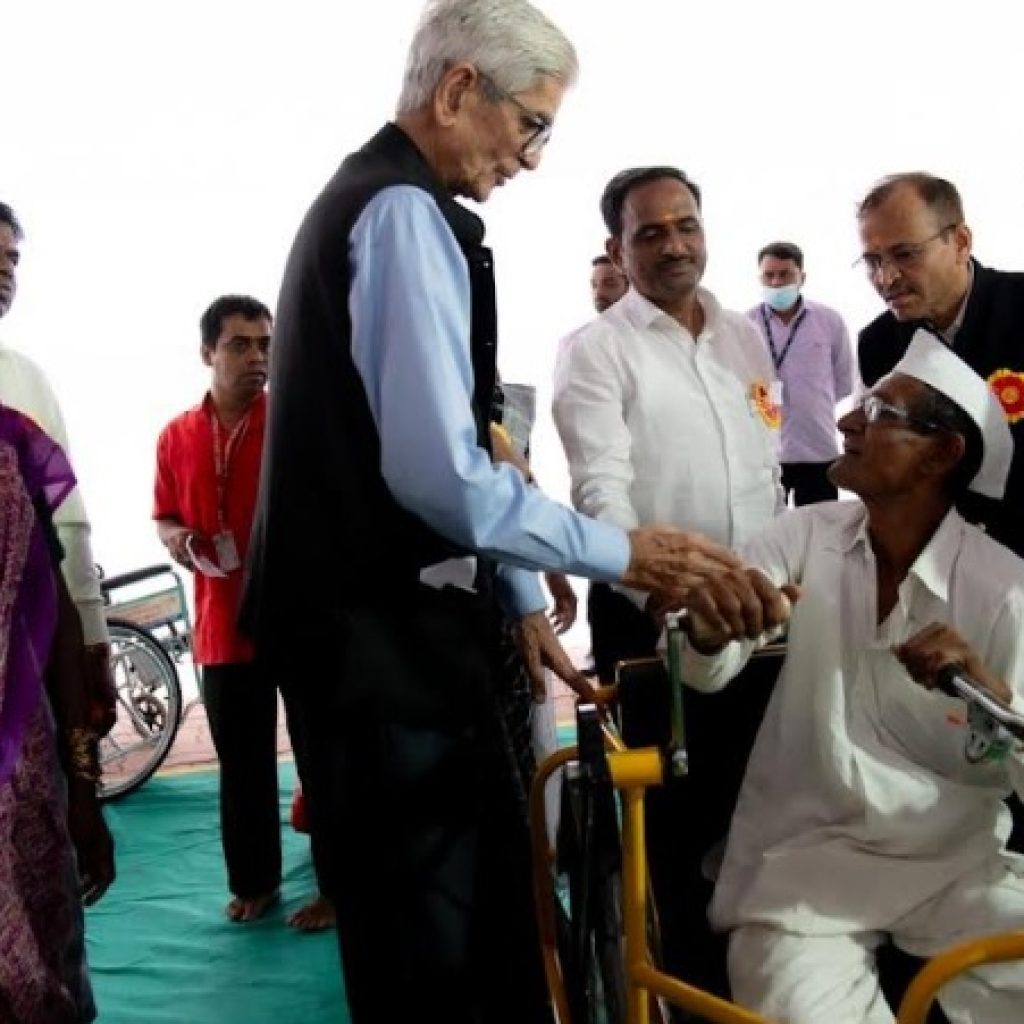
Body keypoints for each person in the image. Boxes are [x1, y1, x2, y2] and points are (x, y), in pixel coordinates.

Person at [240, 3, 741, 1021]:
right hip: (379, 651)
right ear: (460, 89)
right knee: (440, 953)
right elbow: (441, 475)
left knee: (466, 931)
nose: (531, 157)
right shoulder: (399, 213)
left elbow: (465, 437)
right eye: (530, 124)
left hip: (384, 640)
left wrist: (518, 598)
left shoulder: (381, 202)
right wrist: (622, 553)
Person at [676, 329, 1024, 1023]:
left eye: (879, 411)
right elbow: (709, 667)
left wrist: (994, 698)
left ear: (943, 454)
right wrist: (711, 628)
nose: (845, 421)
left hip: (955, 867)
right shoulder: (802, 535)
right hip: (803, 869)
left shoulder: (1004, 591)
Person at [552, 164, 785, 993]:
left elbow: (765, 472)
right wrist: (662, 592)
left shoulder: (743, 337)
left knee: (769, 813)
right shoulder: (595, 351)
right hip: (655, 624)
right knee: (680, 835)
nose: (674, 244)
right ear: (618, 247)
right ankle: (689, 995)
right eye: (650, 232)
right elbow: (601, 493)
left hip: (761, 618)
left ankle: (775, 981)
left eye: (686, 225)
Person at [153, 295, 332, 931]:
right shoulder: (176, 435)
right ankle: (255, 883)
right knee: (243, 766)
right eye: (240, 344)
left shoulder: (296, 421)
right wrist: (177, 538)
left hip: (300, 618)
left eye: (265, 345)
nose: (258, 358)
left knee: (323, 757)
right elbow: (164, 515)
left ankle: (338, 888)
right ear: (208, 352)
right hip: (222, 626)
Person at [0, 403, 116, 1023]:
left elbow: (59, 623)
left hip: (30, 787)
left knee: (48, 983)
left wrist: (84, 792)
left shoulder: (13, 448)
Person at [856, 172, 1024, 557]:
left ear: (961, 242)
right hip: (941, 562)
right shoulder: (878, 345)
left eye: (905, 254)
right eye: (872, 261)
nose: (886, 277)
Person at [0, 201, 115, 735]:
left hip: (32, 649)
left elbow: (68, 523)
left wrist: (94, 639)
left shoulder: (27, 383)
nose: (6, 269)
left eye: (13, 258)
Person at [747, 240, 854, 505]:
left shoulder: (829, 321)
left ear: (802, 278)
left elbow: (844, 381)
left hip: (818, 448)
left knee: (820, 526)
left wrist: (812, 404)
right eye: (769, 275)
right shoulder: (745, 325)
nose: (776, 282)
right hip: (766, 455)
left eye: (784, 274)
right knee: (767, 526)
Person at [553, 254, 629, 392]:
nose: (598, 293)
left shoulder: (652, 336)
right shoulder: (576, 343)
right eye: (594, 285)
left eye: (609, 284)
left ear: (630, 288)